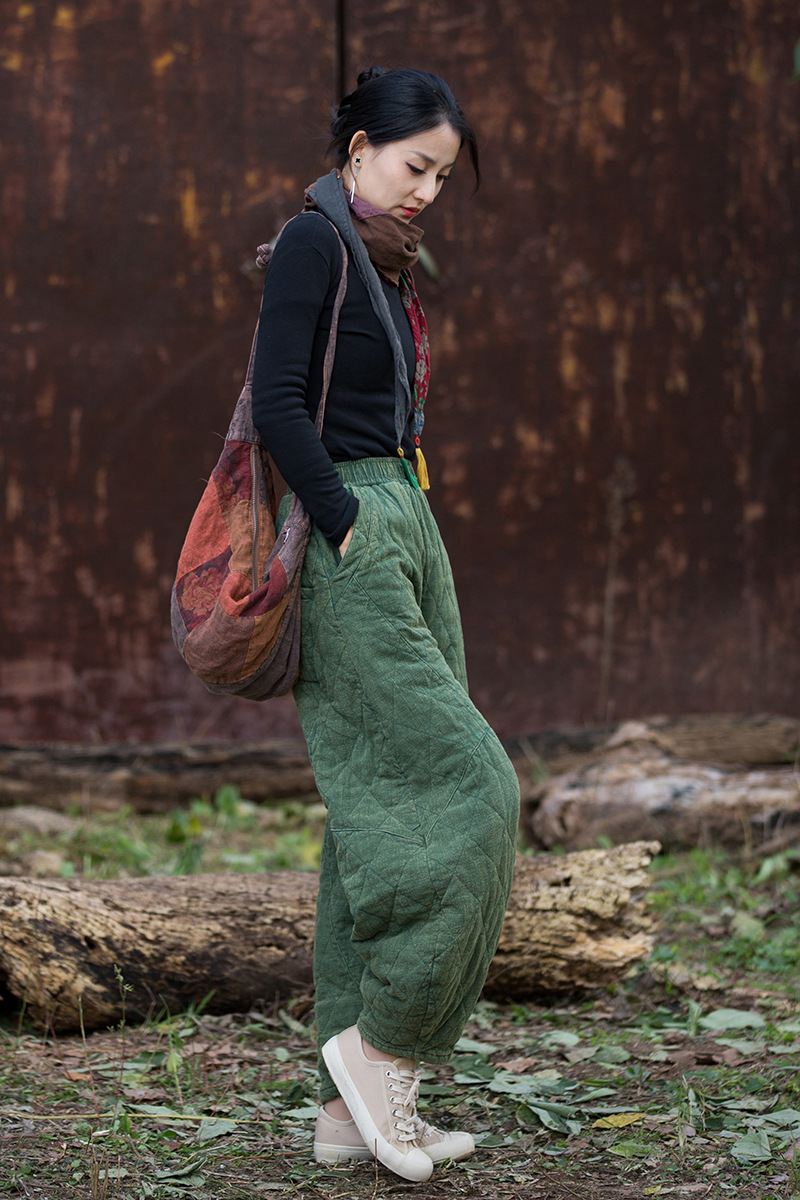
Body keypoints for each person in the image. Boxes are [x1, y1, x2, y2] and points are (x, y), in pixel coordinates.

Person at [251, 66, 520, 1184]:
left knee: (368, 823)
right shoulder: (313, 243)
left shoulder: (385, 257)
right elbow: (277, 401)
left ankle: (346, 1112)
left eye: (443, 178)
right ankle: (382, 1047)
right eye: (417, 166)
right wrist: (344, 519)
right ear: (360, 147)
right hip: (354, 530)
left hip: (405, 521)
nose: (426, 192)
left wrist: (390, 518)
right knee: (476, 789)